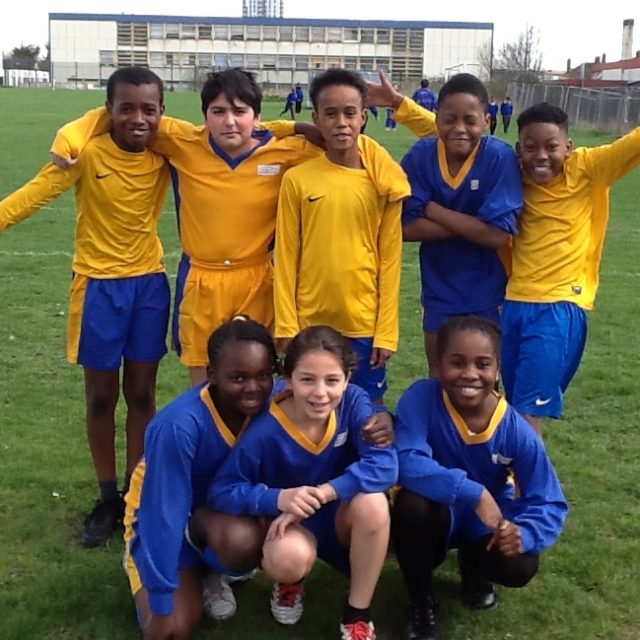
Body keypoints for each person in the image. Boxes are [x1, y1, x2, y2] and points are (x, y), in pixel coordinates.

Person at [51, 69, 323, 387]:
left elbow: (344, 146)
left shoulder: (289, 151)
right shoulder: (183, 141)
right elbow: (113, 116)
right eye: (218, 112)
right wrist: (66, 140)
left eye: (240, 111)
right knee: (204, 386)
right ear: (205, 117)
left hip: (258, 280)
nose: (229, 121)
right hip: (201, 280)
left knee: (254, 381)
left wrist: (294, 127)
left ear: (257, 117)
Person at [0, 66, 171, 547]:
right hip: (98, 289)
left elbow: (220, 138)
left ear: (161, 112)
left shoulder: (165, 153)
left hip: (148, 287)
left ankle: (136, 491)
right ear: (107, 110)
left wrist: (296, 129)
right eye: (126, 108)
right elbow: (34, 193)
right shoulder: (86, 153)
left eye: (148, 109)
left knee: (142, 394)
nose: (138, 118)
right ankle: (107, 497)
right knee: (100, 397)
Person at [209, 326, 398, 640]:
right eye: (307, 379)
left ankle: (357, 614)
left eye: (332, 380)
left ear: (348, 379)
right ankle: (290, 582)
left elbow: (385, 465)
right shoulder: (265, 427)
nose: (320, 393)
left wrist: (325, 493)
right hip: (293, 524)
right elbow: (223, 489)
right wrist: (277, 498)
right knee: (286, 558)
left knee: (374, 503)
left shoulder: (354, 403)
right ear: (288, 378)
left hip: (341, 516)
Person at [393, 316, 568, 640]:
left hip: (485, 520)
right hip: (436, 512)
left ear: (497, 369)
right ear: (439, 364)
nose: (470, 374)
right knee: (411, 504)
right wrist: (473, 492)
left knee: (519, 564)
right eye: (457, 363)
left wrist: (526, 534)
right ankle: (421, 599)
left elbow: (549, 500)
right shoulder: (421, 398)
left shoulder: (515, 430)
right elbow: (405, 460)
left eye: (482, 364)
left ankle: (475, 565)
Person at [123, 317, 276, 639]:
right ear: (211, 374)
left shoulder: (277, 401)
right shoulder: (179, 425)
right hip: (161, 521)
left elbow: (332, 392)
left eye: (263, 375)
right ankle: (178, 573)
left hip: (218, 520)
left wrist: (375, 419)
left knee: (241, 540)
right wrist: (161, 603)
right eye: (238, 377)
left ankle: (213, 571)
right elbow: (163, 514)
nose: (253, 387)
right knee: (172, 629)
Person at [368, 72, 522, 372]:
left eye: (470, 120)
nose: (459, 128)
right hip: (439, 287)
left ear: (487, 121)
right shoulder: (422, 155)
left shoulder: (498, 158)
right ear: (437, 119)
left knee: (483, 378)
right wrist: (474, 224)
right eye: (450, 119)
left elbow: (496, 236)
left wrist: (433, 209)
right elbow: (402, 227)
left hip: (490, 287)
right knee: (440, 374)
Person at [501, 102, 640, 434]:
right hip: (512, 304)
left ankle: (524, 470)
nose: (541, 156)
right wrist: (400, 106)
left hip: (559, 307)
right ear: (518, 150)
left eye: (551, 147)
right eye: (531, 147)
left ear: (568, 147)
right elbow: (457, 130)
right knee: (512, 408)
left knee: (526, 414)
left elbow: (634, 142)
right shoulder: (510, 173)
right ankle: (513, 466)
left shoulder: (590, 168)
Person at [273, 68, 411, 402]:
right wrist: (287, 325)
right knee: (311, 409)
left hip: (364, 325)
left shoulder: (383, 182)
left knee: (367, 413)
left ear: (363, 117)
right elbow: (286, 256)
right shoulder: (297, 179)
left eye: (350, 113)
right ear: (316, 119)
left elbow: (390, 259)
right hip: (310, 323)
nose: (341, 123)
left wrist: (386, 331)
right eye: (330, 113)